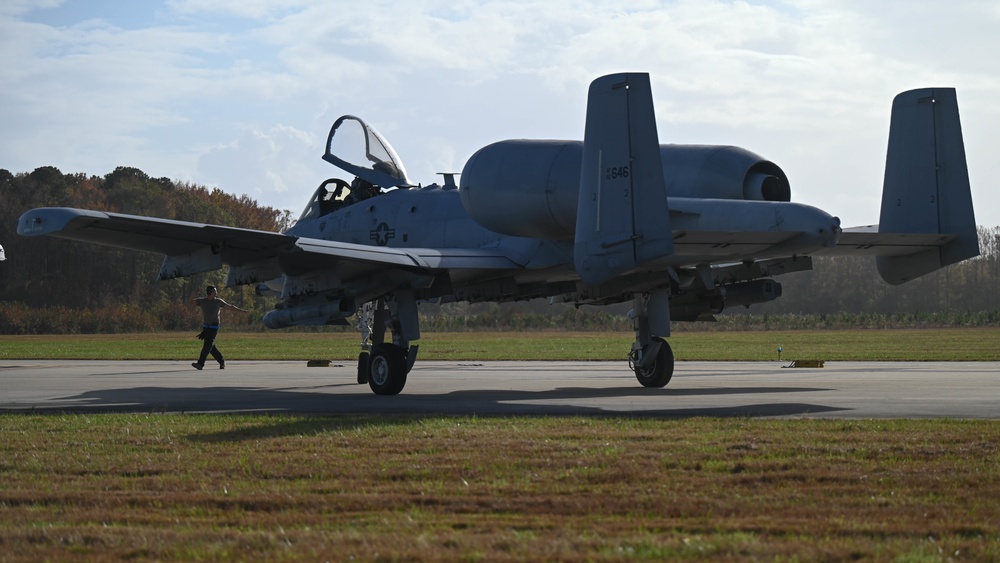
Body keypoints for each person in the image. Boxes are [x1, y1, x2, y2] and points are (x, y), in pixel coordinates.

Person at [189, 285, 248, 370]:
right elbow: (190, 301)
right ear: (209, 292)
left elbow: (230, 307)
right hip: (206, 327)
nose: (216, 293)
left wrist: (242, 311)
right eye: (214, 291)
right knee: (211, 348)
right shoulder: (202, 301)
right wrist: (194, 294)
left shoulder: (218, 302)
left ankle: (200, 364)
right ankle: (221, 361)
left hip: (214, 326)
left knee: (207, 345)